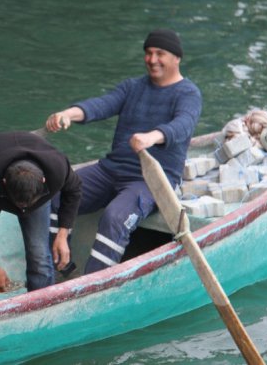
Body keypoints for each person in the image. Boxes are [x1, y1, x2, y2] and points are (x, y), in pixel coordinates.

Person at [45, 28, 202, 275]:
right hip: (112, 170)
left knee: (115, 218)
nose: (152, 60)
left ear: (176, 58)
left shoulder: (188, 93)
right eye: (148, 53)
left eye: (160, 53)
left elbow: (182, 125)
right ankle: (57, 269)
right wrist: (68, 114)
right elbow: (102, 104)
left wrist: (152, 136)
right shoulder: (133, 87)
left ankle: (94, 286)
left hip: (152, 181)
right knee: (55, 194)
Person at [0, 131, 82, 305]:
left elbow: (74, 191)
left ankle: (41, 307)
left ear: (44, 180)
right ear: (5, 183)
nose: (23, 209)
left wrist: (62, 235)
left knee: (39, 254)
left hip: (36, 195)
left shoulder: (57, 167)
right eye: (20, 204)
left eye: (27, 204)